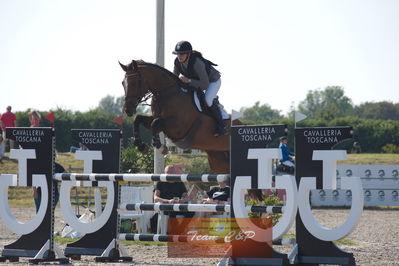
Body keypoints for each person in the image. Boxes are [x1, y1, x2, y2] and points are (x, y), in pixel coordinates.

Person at [172, 40, 226, 137]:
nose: (179, 56)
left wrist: (188, 81)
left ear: (188, 54)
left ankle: (221, 126)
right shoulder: (177, 62)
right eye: (178, 54)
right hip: (196, 81)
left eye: (182, 54)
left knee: (207, 100)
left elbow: (205, 85)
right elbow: (173, 78)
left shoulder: (197, 63)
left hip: (212, 81)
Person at [150, 165, 194, 233]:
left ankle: (181, 228)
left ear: (174, 173)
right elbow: (156, 198)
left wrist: (183, 200)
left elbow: (185, 196)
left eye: (171, 172)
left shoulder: (179, 182)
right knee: (171, 210)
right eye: (167, 172)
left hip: (177, 205)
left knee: (191, 211)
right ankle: (175, 230)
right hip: (165, 206)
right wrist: (168, 201)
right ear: (164, 173)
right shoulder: (160, 182)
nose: (169, 174)